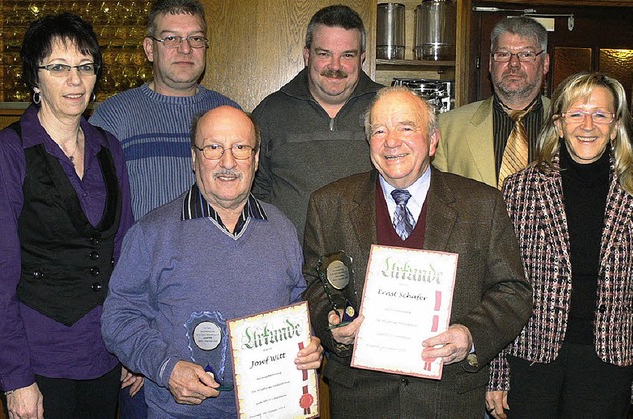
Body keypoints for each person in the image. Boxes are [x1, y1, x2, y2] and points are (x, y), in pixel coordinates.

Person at [303, 86, 533, 418]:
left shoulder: (483, 205)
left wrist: (470, 335)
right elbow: (314, 284)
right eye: (379, 130)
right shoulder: (329, 204)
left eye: (406, 128)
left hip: (449, 397)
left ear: (433, 140)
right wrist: (331, 323)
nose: (391, 140)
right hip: (360, 398)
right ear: (369, 143)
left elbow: (513, 291)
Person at [101, 105, 323, 418]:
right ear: (194, 158)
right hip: (183, 413)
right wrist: (167, 368)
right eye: (213, 148)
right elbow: (118, 318)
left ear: (256, 159)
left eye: (241, 148)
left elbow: (298, 307)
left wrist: (309, 343)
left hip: (274, 407)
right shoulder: (152, 233)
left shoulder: (282, 229)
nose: (228, 162)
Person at [0, 13, 139, 418]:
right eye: (58, 67)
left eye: (85, 67)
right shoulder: (6, 153)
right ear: (34, 79)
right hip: (39, 358)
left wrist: (131, 343)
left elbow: (125, 252)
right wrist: (15, 377)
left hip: (105, 352)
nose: (75, 81)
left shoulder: (108, 147)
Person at [486, 73, 633, 418]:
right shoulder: (520, 189)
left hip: (609, 363)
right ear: (559, 124)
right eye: (576, 113)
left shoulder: (630, 191)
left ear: (615, 127)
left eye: (600, 114)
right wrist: (497, 372)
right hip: (531, 358)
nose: (587, 125)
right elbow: (498, 284)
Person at [90, 0, 239, 221]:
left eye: (195, 39)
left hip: (216, 254)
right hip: (141, 254)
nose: (185, 49)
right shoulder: (113, 117)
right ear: (149, 49)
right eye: (171, 39)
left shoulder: (230, 115)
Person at [252, 4, 382, 241]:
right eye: (324, 54)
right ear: (307, 55)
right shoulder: (271, 111)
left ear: (362, 58)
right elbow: (254, 191)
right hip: (291, 267)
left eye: (347, 55)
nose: (335, 66)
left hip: (371, 265)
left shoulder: (387, 107)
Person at [434, 17, 550, 189]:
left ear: (545, 63)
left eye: (526, 54)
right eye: (503, 54)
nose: (514, 64)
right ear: (490, 63)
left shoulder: (570, 123)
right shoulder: (447, 127)